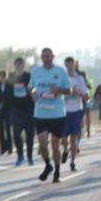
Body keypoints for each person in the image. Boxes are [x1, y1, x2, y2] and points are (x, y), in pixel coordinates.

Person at [29, 48, 72, 183]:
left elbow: (69, 90)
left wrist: (58, 90)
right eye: (44, 56)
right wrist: (33, 95)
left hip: (57, 114)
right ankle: (48, 165)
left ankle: (57, 172)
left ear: (53, 57)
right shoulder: (36, 71)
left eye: (48, 56)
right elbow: (31, 87)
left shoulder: (60, 71)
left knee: (55, 145)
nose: (46, 59)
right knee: (42, 145)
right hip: (40, 113)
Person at [61, 57, 88, 172]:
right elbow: (59, 92)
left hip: (76, 110)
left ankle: (72, 162)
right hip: (63, 111)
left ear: (74, 65)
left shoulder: (80, 78)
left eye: (71, 64)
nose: (69, 67)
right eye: (67, 65)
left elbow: (85, 94)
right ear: (65, 65)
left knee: (73, 138)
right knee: (63, 138)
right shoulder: (62, 78)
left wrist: (78, 93)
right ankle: (65, 150)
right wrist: (66, 93)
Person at [8, 57, 36, 167]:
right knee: (16, 134)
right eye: (17, 64)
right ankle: (20, 155)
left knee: (30, 135)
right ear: (15, 65)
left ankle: (30, 156)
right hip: (16, 109)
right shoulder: (11, 76)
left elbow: (34, 89)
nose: (19, 66)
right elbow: (7, 93)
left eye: (21, 64)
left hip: (29, 109)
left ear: (24, 65)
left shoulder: (28, 76)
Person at [0, 70, 13, 155]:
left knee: (8, 129)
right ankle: (3, 148)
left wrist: (2, 95)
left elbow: (12, 96)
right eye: (0, 76)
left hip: (8, 110)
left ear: (6, 76)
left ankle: (10, 147)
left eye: (3, 76)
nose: (2, 78)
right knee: (1, 130)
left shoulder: (10, 85)